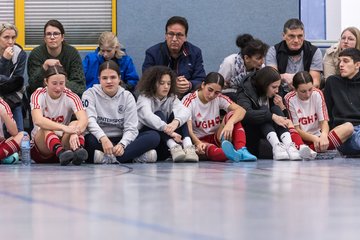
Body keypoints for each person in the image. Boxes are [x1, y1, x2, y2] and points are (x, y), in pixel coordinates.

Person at [82, 60, 160, 163]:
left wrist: (122, 144)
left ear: (119, 78)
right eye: (104, 78)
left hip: (122, 138)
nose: (109, 81)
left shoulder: (127, 96)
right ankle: (134, 157)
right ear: (99, 79)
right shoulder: (89, 94)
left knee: (153, 136)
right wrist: (103, 138)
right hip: (100, 140)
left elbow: (131, 127)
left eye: (113, 77)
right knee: (88, 141)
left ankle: (108, 158)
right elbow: (89, 121)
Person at [236, 66, 316, 160]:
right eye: (274, 87)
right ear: (264, 85)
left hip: (276, 134)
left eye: (278, 86)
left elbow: (285, 119)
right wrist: (272, 116)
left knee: (276, 109)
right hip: (255, 137)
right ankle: (277, 146)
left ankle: (289, 145)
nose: (277, 90)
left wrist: (282, 107)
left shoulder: (276, 91)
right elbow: (246, 114)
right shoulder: (246, 92)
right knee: (264, 110)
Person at [182, 72, 257, 162]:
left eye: (216, 92)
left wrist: (230, 123)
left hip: (216, 137)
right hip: (199, 140)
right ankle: (231, 154)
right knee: (217, 153)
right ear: (203, 85)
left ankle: (241, 150)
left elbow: (242, 110)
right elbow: (188, 130)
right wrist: (198, 143)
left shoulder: (219, 98)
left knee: (233, 115)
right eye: (210, 90)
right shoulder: (189, 101)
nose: (212, 95)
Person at [136, 65, 198, 162]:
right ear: (153, 83)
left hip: (167, 141)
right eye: (162, 83)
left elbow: (185, 111)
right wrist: (168, 129)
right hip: (152, 140)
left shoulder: (171, 97)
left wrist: (175, 122)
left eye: (169, 84)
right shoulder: (144, 98)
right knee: (159, 114)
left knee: (180, 116)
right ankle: (174, 147)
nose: (166, 87)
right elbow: (148, 116)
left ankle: (188, 145)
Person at [30, 65, 88, 165]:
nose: (58, 87)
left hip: (66, 149)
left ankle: (78, 151)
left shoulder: (71, 96)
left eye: (61, 83)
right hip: (41, 149)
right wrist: (64, 128)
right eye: (54, 83)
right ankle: (60, 152)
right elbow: (38, 120)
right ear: (46, 82)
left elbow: (84, 119)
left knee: (75, 123)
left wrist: (75, 132)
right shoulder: (38, 95)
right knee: (45, 127)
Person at [285, 71, 353, 153]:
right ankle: (310, 149)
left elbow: (324, 122)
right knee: (292, 132)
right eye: (303, 91)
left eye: (310, 89)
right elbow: (296, 129)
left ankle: (308, 150)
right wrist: (314, 138)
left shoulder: (318, 93)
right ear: (295, 89)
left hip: (319, 138)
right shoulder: (289, 99)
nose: (308, 94)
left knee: (349, 127)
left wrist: (324, 136)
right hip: (302, 139)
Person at [142, 16, 206, 98]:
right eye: (171, 34)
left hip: (186, 98)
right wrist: (170, 84)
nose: (174, 39)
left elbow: (201, 79)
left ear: (185, 37)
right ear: (165, 35)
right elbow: (146, 80)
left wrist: (189, 85)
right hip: (159, 98)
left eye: (179, 35)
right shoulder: (153, 53)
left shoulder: (195, 53)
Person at [27, 19, 85, 96]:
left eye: (56, 34)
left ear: (62, 37)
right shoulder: (36, 54)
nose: (52, 37)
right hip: (42, 98)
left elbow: (80, 87)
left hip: (67, 97)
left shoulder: (72, 53)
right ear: (44, 38)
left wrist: (57, 83)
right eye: (48, 34)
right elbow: (33, 86)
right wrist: (44, 67)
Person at [265, 18, 323, 93]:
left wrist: (300, 89)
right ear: (283, 36)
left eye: (300, 36)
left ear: (304, 35)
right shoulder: (273, 51)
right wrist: (283, 76)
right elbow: (270, 79)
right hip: (279, 93)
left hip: (306, 93)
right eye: (291, 36)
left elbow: (315, 83)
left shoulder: (314, 51)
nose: (296, 40)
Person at [324, 48, 360, 155]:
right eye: (340, 61)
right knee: (350, 131)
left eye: (346, 61)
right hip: (343, 132)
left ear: (357, 65)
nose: (341, 64)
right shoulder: (332, 81)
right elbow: (327, 112)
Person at [218, 34, 269, 101]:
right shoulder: (230, 62)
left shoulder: (261, 67)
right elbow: (218, 86)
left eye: (263, 57)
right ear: (247, 58)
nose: (262, 61)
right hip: (229, 96)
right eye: (258, 58)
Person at [0, 22, 27, 131]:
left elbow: (17, 81)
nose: (10, 42)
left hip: (13, 95)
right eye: (6, 37)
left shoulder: (20, 54)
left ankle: (19, 143)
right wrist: (5, 60)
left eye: (13, 37)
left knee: (19, 132)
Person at [0, 97, 24, 163]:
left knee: (23, 136)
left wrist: (4, 114)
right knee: (12, 157)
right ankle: (2, 155)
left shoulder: (2, 104)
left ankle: (2, 155)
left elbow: (14, 132)